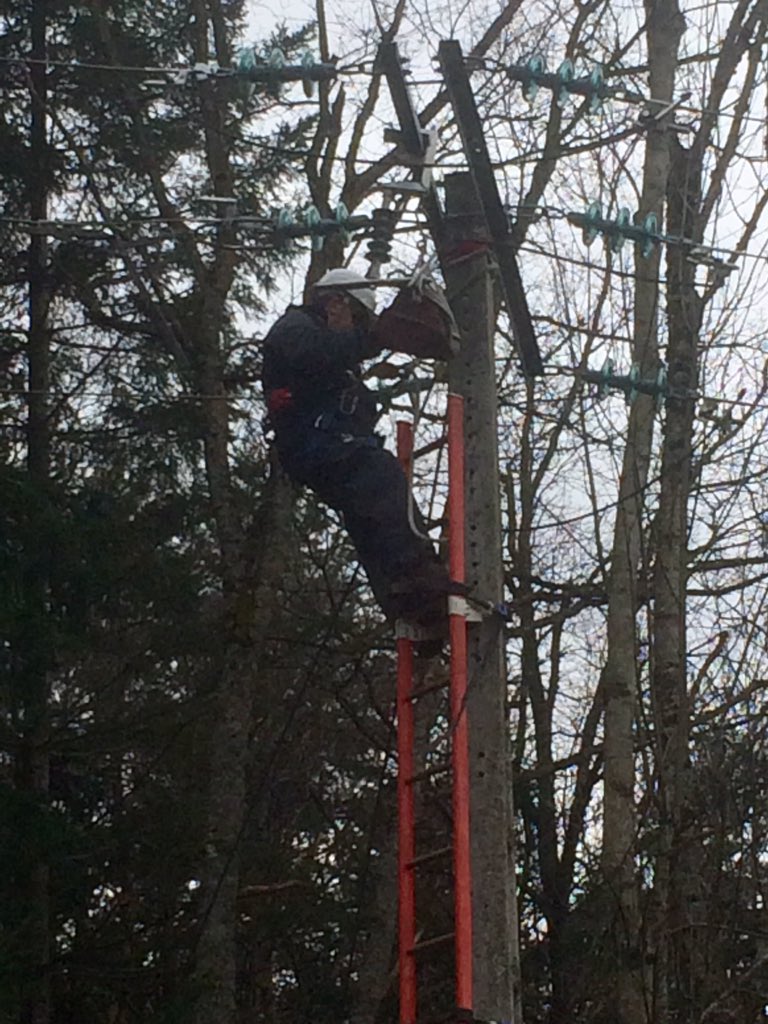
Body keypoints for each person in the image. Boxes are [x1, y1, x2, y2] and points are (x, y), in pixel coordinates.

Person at [261, 267, 453, 643]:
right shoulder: (295, 327)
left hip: (323, 445)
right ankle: (421, 578)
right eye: (358, 318)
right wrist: (375, 337)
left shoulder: (332, 359)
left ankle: (410, 606)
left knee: (366, 519)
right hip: (316, 442)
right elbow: (317, 353)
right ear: (336, 303)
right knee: (382, 477)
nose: (357, 327)